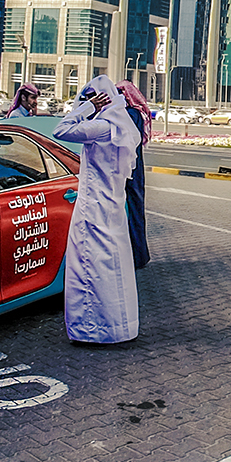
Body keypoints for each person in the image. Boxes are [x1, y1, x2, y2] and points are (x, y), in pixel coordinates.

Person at [54, 75, 140, 344]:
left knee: (88, 264)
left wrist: (87, 108)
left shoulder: (102, 127)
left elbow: (61, 130)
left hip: (93, 206)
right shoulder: (120, 128)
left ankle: (92, 329)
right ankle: (118, 326)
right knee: (112, 265)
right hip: (112, 204)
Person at [115, 81, 153, 270]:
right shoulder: (136, 113)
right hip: (135, 167)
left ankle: (136, 255)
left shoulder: (129, 114)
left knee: (131, 211)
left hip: (129, 167)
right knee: (136, 210)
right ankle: (139, 254)